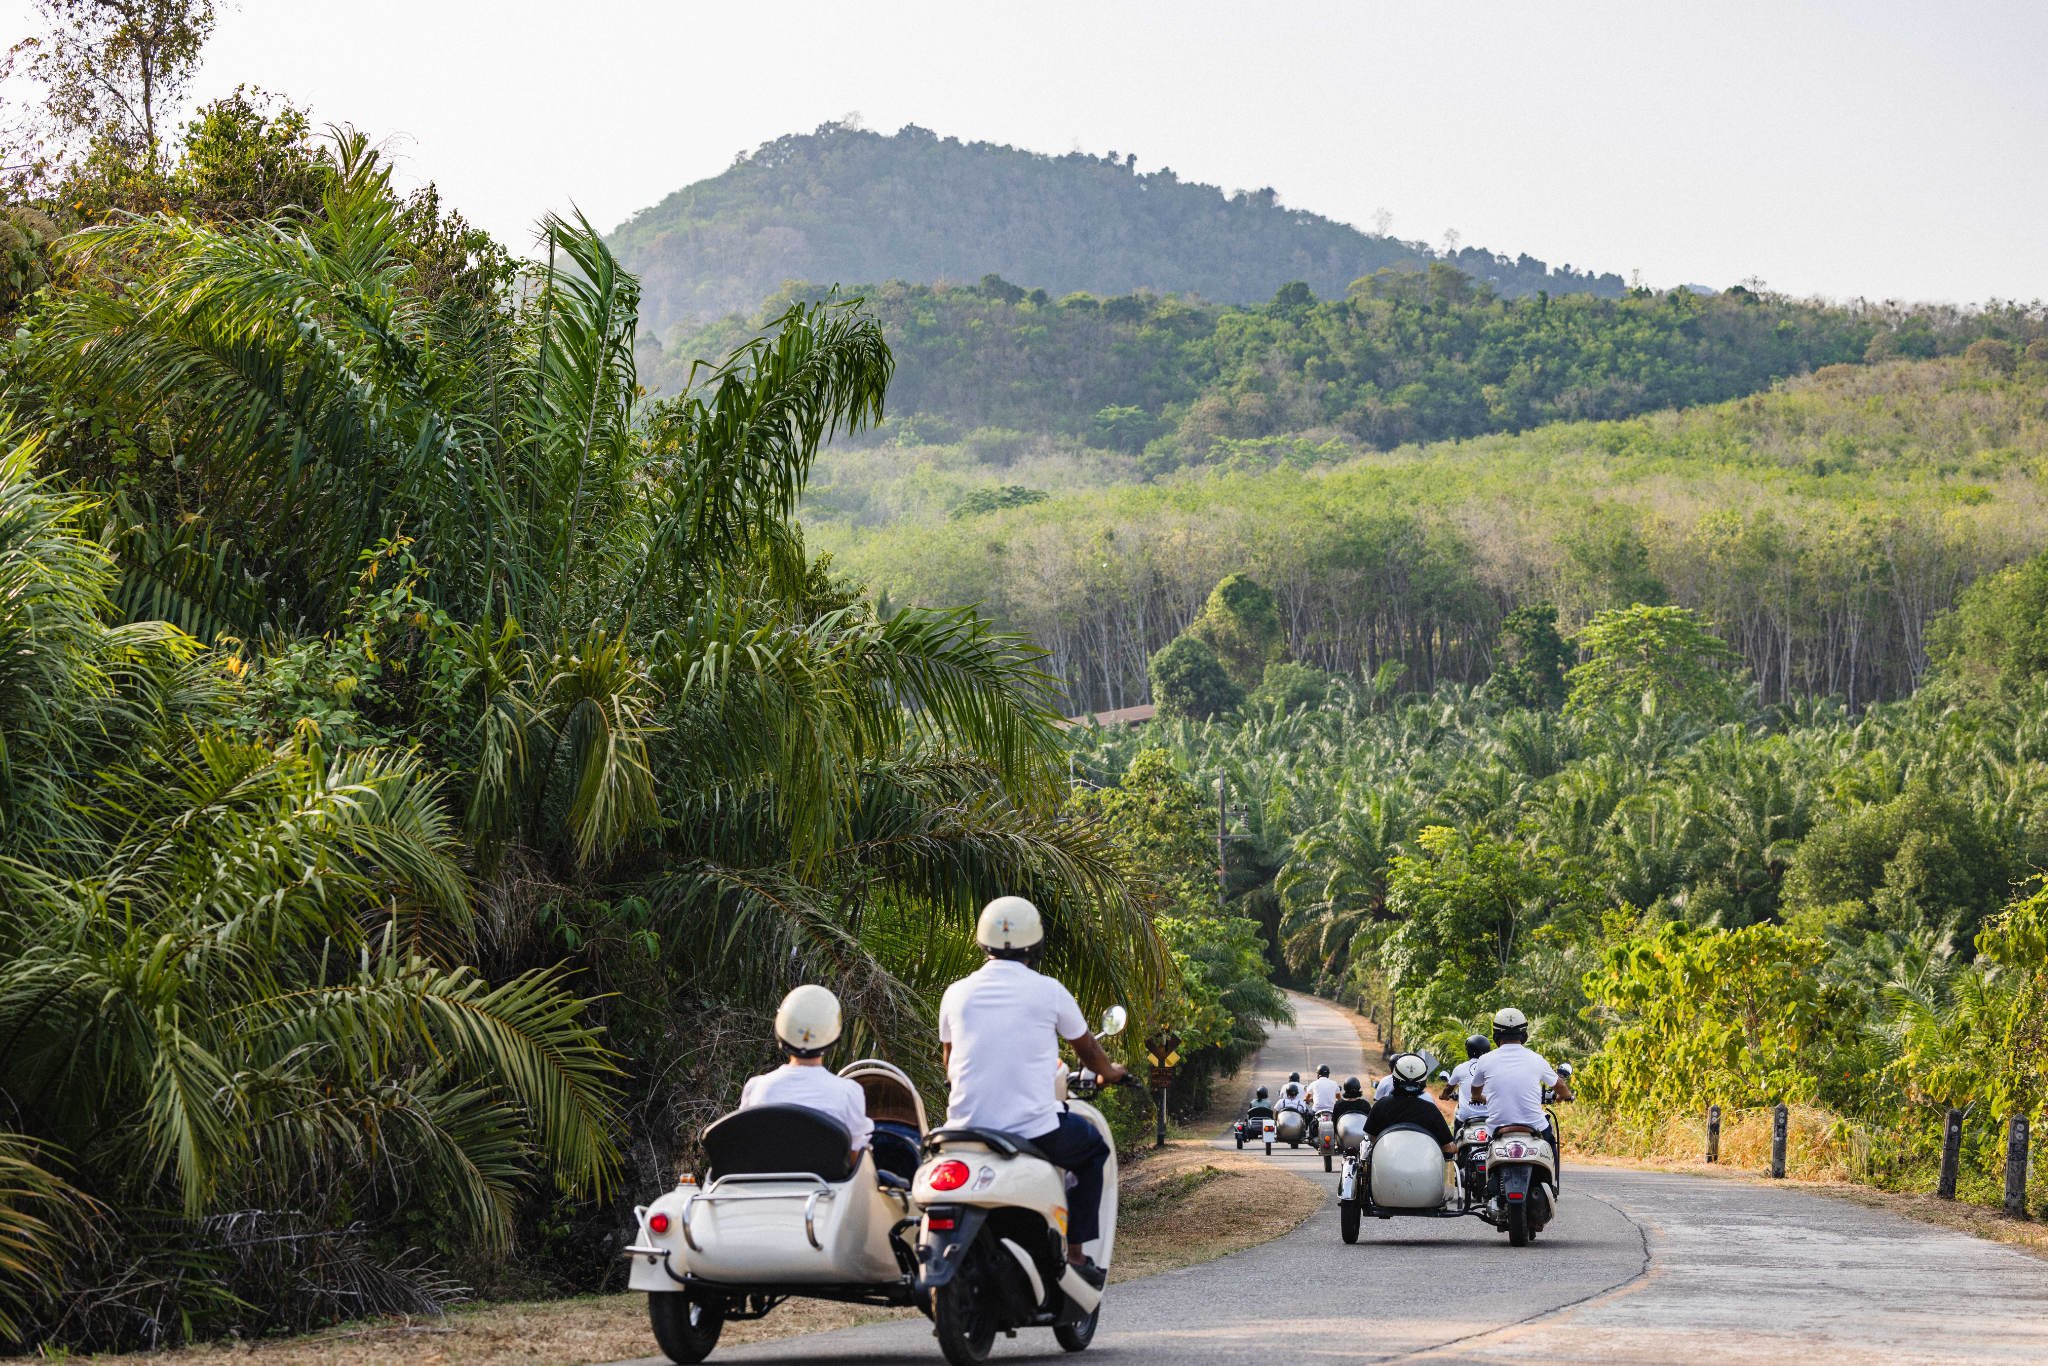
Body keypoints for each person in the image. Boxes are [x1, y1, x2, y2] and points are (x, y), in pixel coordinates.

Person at [939, 896, 1128, 1273]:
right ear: (1036, 944)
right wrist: (1110, 1071)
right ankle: (1075, 1254)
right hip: (1033, 1130)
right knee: (1092, 1150)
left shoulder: (955, 993)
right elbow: (1088, 1049)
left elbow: (949, 1061)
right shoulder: (1049, 991)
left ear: (982, 942)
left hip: (965, 1128)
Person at [737, 984, 873, 1169]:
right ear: (834, 1037)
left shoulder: (756, 1088)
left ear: (780, 1032)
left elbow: (746, 1145)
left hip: (765, 1192)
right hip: (828, 1192)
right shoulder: (849, 1092)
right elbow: (855, 1159)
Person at [1468, 1007, 1573, 1181]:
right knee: (1550, 1143)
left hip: (1497, 1127)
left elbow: (1475, 1088)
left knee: (1487, 1152)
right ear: (1524, 1034)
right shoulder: (1536, 1059)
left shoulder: (1485, 1060)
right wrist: (1566, 1096)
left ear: (1496, 1035)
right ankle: (1552, 1182)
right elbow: (1560, 1085)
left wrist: (1478, 1097)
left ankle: (1489, 1183)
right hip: (1534, 1126)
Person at [1364, 1052, 1457, 1153]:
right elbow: (1448, 1148)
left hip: (1386, 1162)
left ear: (1394, 1079)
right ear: (1423, 1082)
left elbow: (1371, 1136)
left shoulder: (1381, 1105)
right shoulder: (1430, 1110)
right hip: (1421, 1166)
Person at [1442, 1034, 1492, 1132]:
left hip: (1467, 1118)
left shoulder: (1460, 1068)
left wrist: (1444, 1095)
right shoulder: (1494, 1067)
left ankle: (1456, 1144)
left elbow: (1449, 1087)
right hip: (1490, 1116)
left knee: (1456, 1134)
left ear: (1468, 1051)